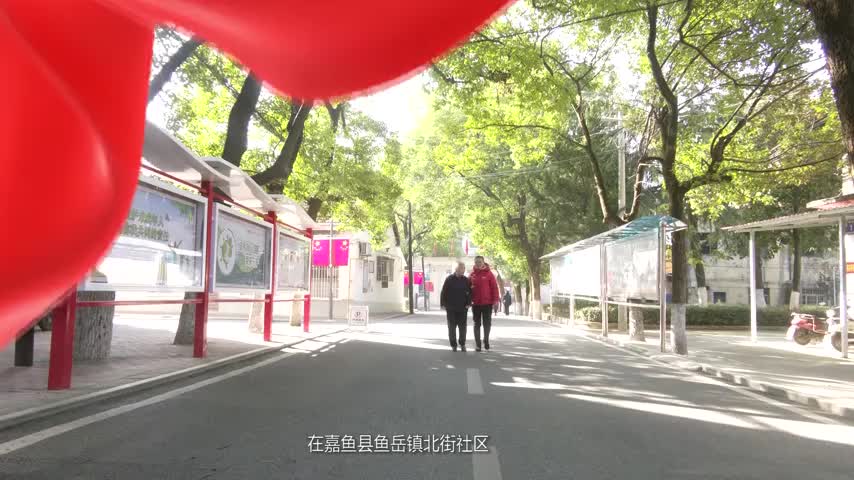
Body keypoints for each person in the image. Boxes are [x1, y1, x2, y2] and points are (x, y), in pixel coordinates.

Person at [469, 256, 500, 352]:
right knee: (476, 324)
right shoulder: (472, 274)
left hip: (487, 303)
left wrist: (495, 300)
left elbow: (494, 288)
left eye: (480, 262)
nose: (478, 263)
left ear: (483, 262)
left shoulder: (489, 274)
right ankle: (478, 344)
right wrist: (468, 300)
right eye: (476, 262)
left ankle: (486, 340)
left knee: (487, 324)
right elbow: (467, 289)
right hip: (476, 304)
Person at [440, 262, 471, 352]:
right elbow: (444, 291)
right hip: (451, 308)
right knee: (452, 327)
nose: (463, 270)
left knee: (462, 327)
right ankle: (453, 344)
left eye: (464, 268)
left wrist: (469, 303)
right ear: (456, 269)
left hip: (463, 307)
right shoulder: (449, 279)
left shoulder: (466, 280)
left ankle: (462, 344)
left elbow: (469, 292)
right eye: (461, 268)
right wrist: (442, 304)